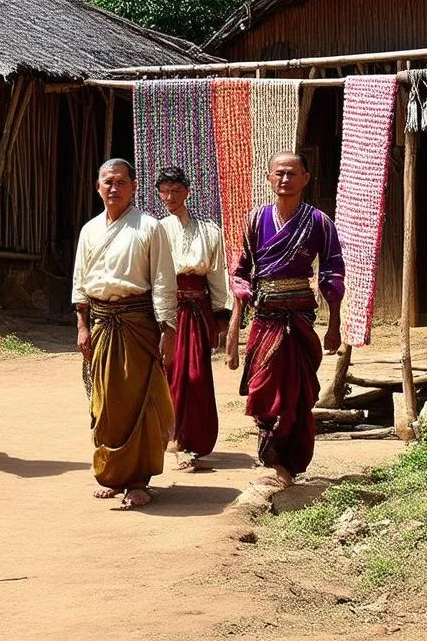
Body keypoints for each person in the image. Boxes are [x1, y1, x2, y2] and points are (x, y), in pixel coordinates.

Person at [227, 152, 344, 487]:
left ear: (305, 178)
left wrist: (334, 324)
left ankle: (290, 463)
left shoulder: (320, 222)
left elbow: (333, 273)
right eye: (278, 173)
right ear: (268, 178)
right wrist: (234, 334)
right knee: (263, 390)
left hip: (300, 319)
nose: (285, 180)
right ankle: (273, 458)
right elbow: (240, 275)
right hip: (264, 318)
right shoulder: (255, 220)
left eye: (292, 174)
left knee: (297, 394)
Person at [72, 158, 177, 508]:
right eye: (107, 182)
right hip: (101, 324)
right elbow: (80, 283)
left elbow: (163, 280)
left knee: (137, 402)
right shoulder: (89, 230)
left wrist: (167, 328)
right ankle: (112, 474)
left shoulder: (149, 227)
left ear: (133, 186)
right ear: (97, 187)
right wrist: (82, 325)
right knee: (103, 403)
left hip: (137, 324)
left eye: (120, 182)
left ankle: (136, 480)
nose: (113, 188)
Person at [156, 166, 232, 471]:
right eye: (165, 191)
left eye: (176, 190)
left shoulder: (210, 231)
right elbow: (154, 278)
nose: (170, 197)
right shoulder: (156, 230)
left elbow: (217, 276)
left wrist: (221, 315)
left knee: (197, 377)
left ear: (187, 192)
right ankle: (172, 441)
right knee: (170, 373)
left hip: (198, 311)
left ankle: (195, 442)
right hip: (169, 311)